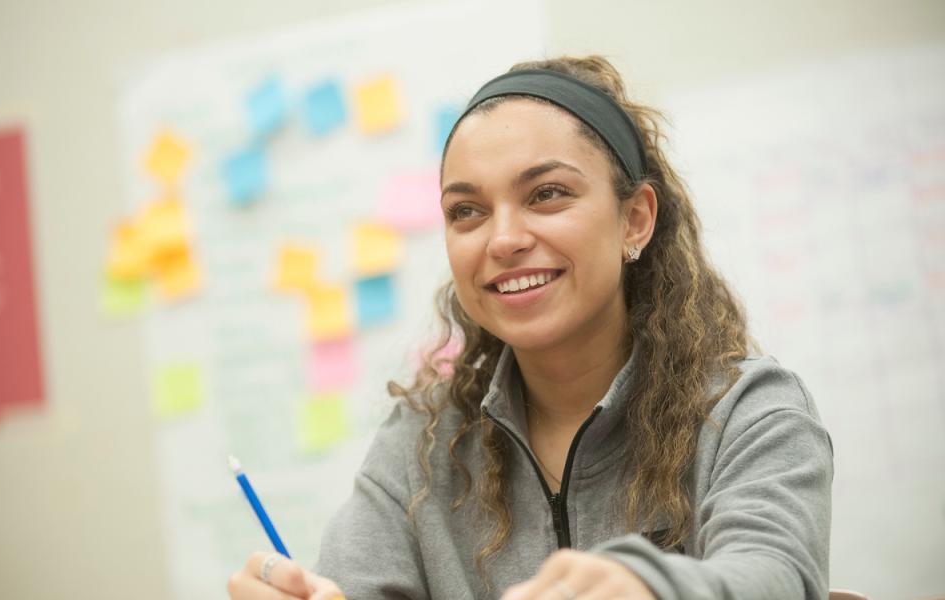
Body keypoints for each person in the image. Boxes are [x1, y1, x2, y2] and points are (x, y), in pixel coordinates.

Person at [227, 55, 833, 600]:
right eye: (467, 211)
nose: (505, 239)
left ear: (635, 221)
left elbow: (779, 578)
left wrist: (645, 585)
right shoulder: (420, 443)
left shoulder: (749, 413)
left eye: (546, 194)